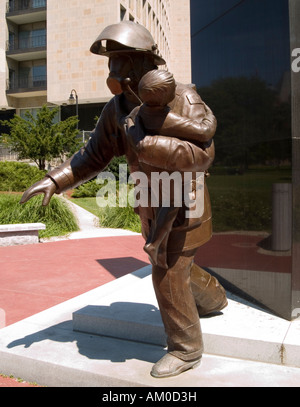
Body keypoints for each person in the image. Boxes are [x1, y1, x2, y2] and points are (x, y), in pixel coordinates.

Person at [20, 21, 227, 378]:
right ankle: (214, 298)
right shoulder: (116, 110)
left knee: (166, 273)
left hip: (184, 200)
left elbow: (205, 154)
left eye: (122, 60)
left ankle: (186, 349)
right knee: (175, 264)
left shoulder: (183, 97)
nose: (115, 70)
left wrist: (151, 146)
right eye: (112, 61)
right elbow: (92, 155)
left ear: (144, 62)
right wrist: (56, 179)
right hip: (149, 201)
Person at [126, 69, 216, 270]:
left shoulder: (138, 114)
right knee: (173, 201)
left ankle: (155, 243)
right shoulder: (167, 118)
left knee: (167, 204)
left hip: (151, 173)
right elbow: (204, 132)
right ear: (166, 97)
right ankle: (155, 243)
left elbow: (132, 131)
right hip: (170, 168)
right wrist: (209, 113)